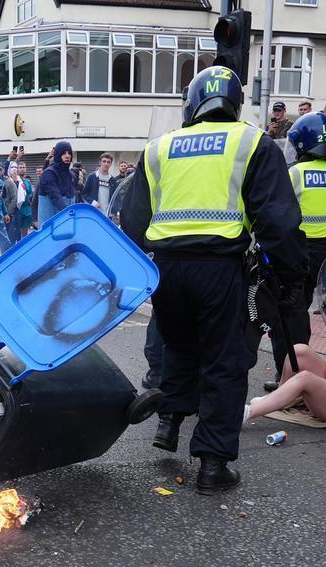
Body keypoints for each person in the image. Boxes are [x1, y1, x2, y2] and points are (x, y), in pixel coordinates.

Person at [121, 66, 306, 495]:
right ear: (236, 103)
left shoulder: (159, 148)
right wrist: (290, 277)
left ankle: (170, 422)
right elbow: (277, 220)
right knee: (224, 361)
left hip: (166, 269)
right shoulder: (252, 141)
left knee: (178, 348)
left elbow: (133, 222)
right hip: (220, 267)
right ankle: (212, 463)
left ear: (191, 103)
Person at [263, 112, 326, 387]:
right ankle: (298, 373)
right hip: (320, 251)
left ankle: (287, 375)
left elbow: (279, 214)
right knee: (301, 308)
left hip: (292, 251)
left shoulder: (294, 174)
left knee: (286, 314)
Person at [37, 141, 75, 224]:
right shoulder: (49, 173)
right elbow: (55, 196)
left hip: (65, 222)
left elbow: (73, 198)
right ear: (58, 154)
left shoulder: (70, 174)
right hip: (49, 224)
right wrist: (69, 212)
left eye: (69, 153)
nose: (67, 156)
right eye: (63, 153)